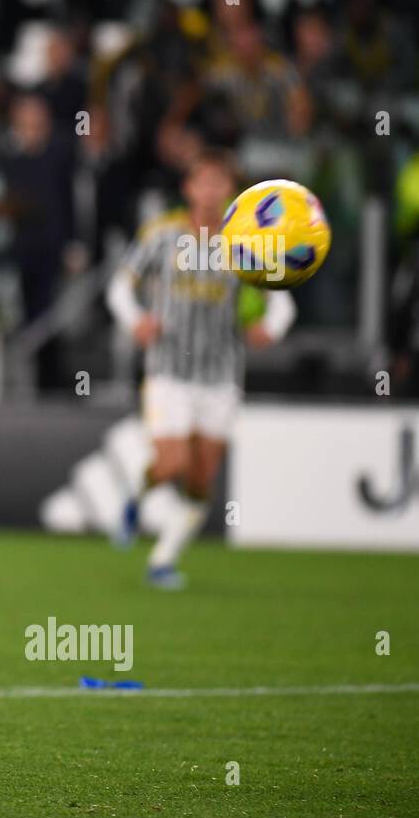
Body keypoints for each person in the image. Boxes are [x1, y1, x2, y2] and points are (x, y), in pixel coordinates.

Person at [106, 150, 295, 589]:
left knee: (200, 477)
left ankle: (163, 559)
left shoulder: (247, 241)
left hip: (221, 376)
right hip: (169, 369)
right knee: (171, 464)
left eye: (219, 183)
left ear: (230, 190)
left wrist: (271, 328)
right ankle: (137, 495)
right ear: (188, 188)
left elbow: (283, 298)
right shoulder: (162, 234)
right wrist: (136, 320)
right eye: (202, 182)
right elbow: (120, 285)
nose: (210, 192)